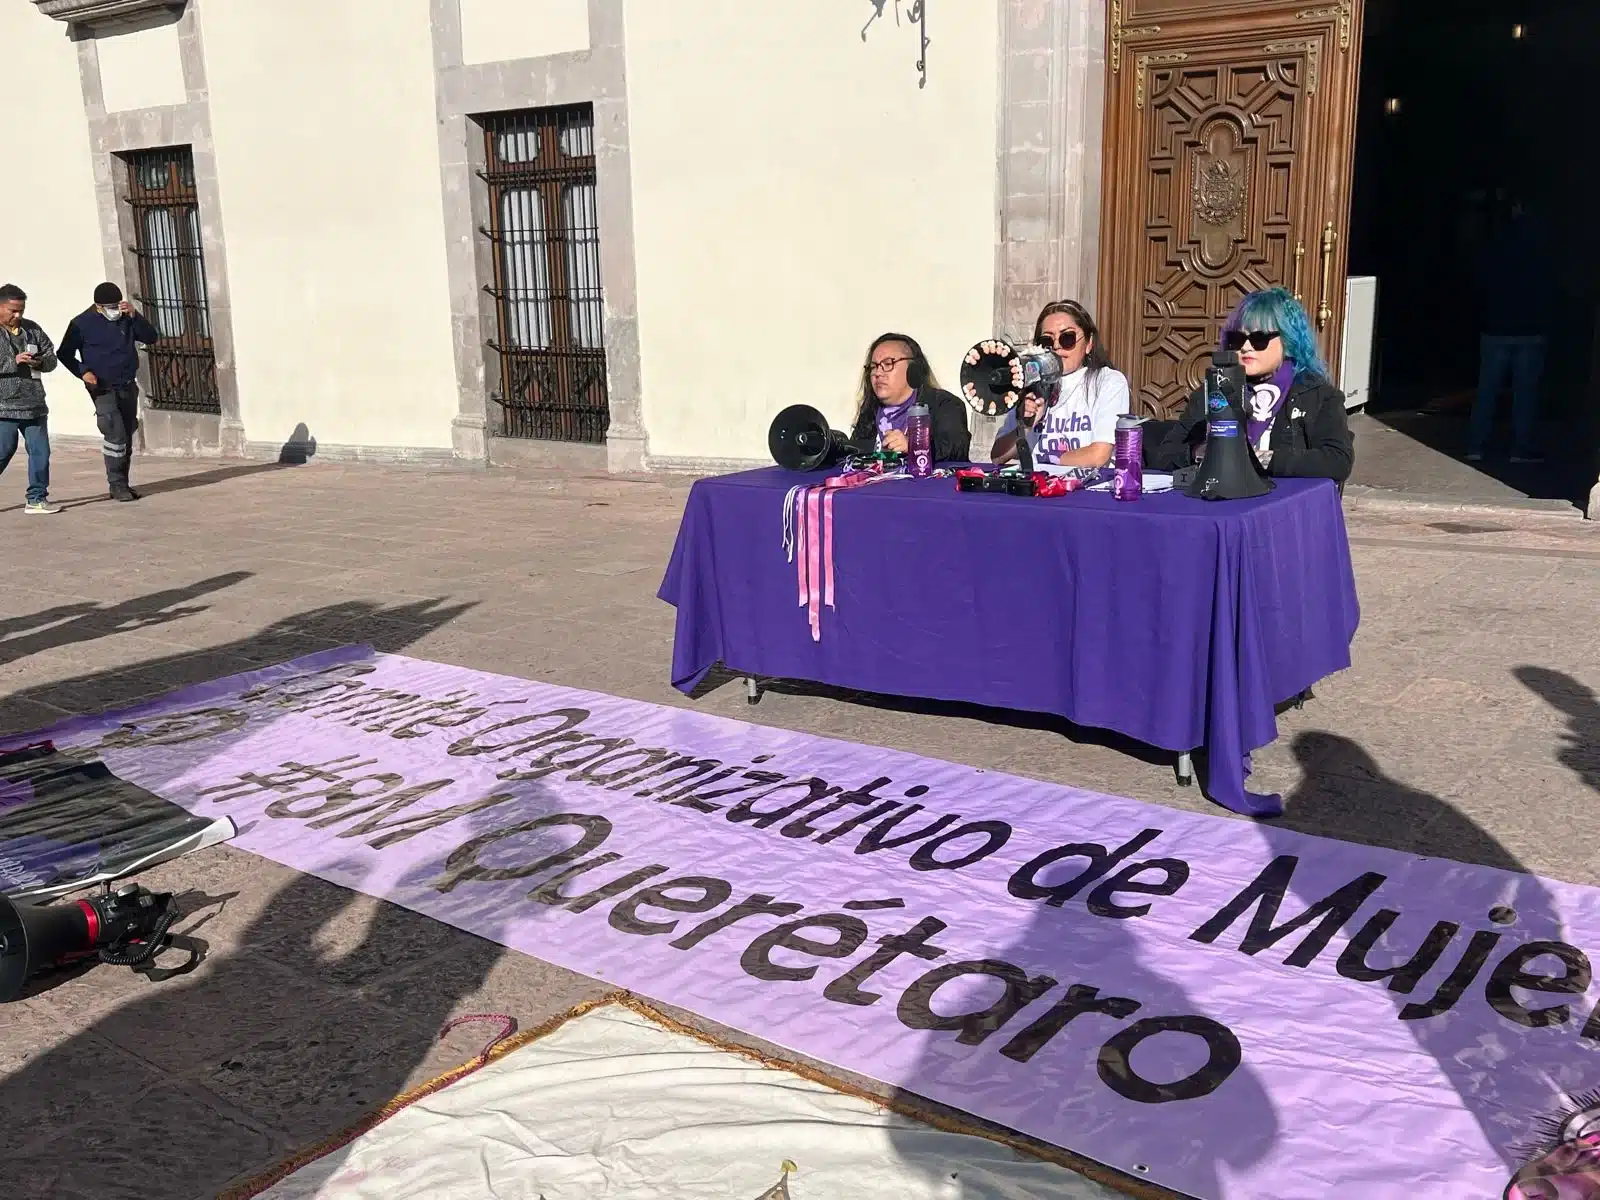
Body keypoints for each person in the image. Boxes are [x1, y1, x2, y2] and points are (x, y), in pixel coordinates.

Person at [1149, 287, 1354, 482]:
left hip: (1281, 507)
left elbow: (1337, 460)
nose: (1246, 347)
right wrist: (1201, 453)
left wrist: (1261, 459)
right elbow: (1165, 455)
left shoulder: (1316, 394)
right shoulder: (1214, 388)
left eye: (1259, 338)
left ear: (1289, 341)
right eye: (1237, 339)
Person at [991, 299, 1129, 468]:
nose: (1056, 346)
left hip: (1087, 488)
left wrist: (1049, 460)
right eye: (1047, 342)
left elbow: (1098, 455)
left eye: (1067, 338)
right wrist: (1026, 426)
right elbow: (997, 457)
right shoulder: (1031, 385)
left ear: (1089, 343)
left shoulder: (1108, 382)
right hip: (1037, 489)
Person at [58, 282, 160, 502]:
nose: (114, 309)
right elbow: (64, 353)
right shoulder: (81, 323)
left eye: (116, 304)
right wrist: (83, 372)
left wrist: (135, 315)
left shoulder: (126, 318)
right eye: (108, 306)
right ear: (97, 306)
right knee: (114, 433)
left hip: (126, 384)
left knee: (127, 432)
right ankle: (116, 484)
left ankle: (123, 482)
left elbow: (151, 337)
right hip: (101, 387)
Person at [1468, 197, 1551, 464]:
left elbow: (1479, 283)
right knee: (1524, 392)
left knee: (1487, 389)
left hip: (1495, 327)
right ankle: (1521, 448)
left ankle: (1476, 446)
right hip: (1530, 328)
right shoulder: (1540, 246)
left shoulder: (1493, 244)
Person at [848, 332, 971, 462]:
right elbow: (853, 458)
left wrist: (916, 447)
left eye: (888, 363)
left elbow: (957, 449)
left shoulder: (944, 404)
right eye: (873, 366)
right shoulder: (870, 410)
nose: (878, 373)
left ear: (913, 368)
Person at [0, 284, 61, 515]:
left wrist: (40, 362)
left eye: (21, 311)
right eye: (12, 311)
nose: (17, 316)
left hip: (34, 403)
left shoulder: (32, 329)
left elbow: (51, 358)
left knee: (41, 452)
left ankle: (36, 498)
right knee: (4, 451)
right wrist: (13, 361)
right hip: (4, 405)